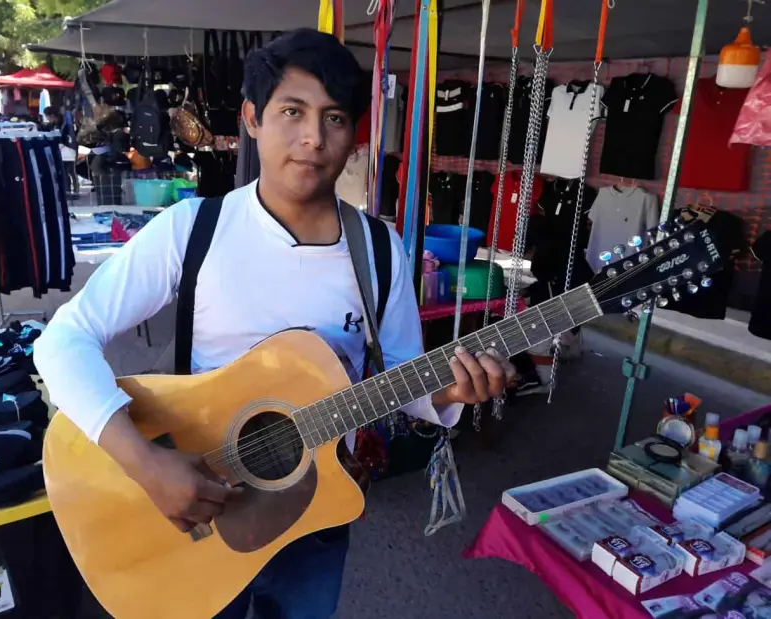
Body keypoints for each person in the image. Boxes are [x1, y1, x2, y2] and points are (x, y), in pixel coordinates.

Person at [33, 29, 514, 619]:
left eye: (335, 118)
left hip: (314, 516)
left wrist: (448, 389)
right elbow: (62, 339)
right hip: (195, 506)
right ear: (252, 118)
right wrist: (144, 462)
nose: (313, 138)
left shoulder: (380, 248)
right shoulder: (194, 230)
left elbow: (400, 375)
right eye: (293, 112)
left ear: (353, 134)